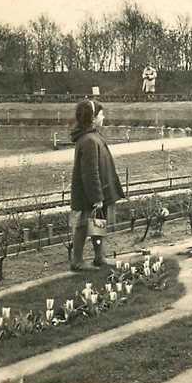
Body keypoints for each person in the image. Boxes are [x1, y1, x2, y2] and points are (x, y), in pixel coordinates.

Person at [69, 100, 125, 271]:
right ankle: (77, 261)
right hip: (90, 194)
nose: (104, 117)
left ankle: (99, 257)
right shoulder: (89, 140)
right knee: (84, 225)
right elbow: (90, 172)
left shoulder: (92, 136)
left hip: (97, 192)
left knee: (98, 223)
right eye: (101, 115)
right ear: (93, 118)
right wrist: (97, 197)